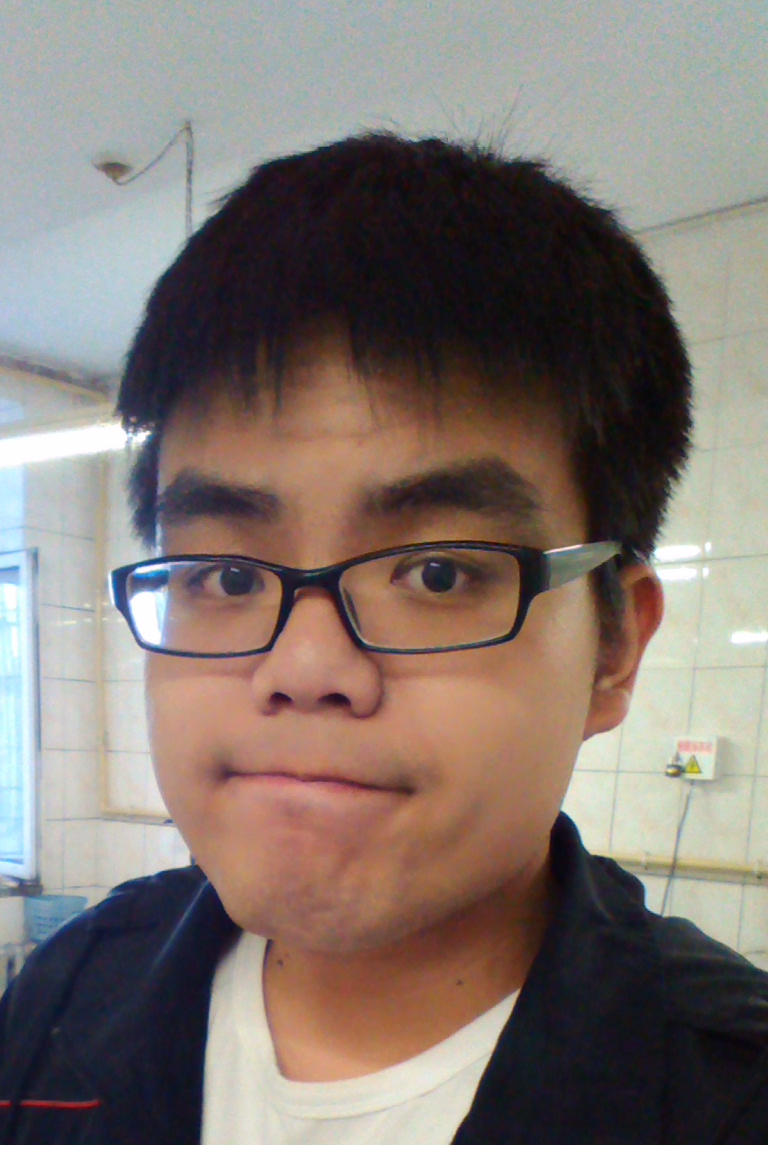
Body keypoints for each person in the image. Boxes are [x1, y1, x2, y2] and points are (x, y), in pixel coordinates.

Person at [0, 132, 766, 1145]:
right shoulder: (64, 997)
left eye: (436, 573)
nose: (305, 669)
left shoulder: (728, 1099)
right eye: (227, 576)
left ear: (612, 649)